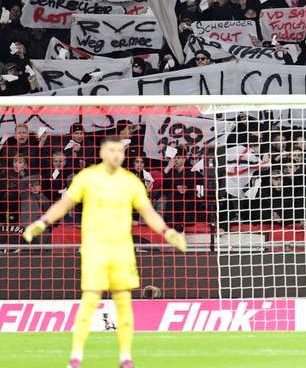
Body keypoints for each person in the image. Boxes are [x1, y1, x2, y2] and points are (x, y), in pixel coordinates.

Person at [22, 137, 187, 368]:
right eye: (111, 150)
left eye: (119, 151)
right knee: (89, 300)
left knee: (123, 301)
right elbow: (65, 203)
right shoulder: (87, 177)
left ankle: (126, 358)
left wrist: (167, 232)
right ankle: (76, 357)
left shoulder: (131, 181)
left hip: (122, 249)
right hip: (95, 247)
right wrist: (43, 221)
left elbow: (148, 212)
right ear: (102, 153)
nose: (116, 155)